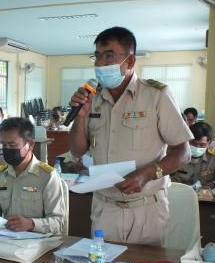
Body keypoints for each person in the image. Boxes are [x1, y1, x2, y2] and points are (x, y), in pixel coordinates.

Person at [69, 26, 192, 246]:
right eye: (97, 56)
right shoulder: (92, 98)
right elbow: (78, 151)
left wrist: (149, 173)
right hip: (105, 206)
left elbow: (183, 152)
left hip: (146, 209)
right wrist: (80, 116)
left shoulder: (156, 96)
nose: (100, 64)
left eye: (109, 56)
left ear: (130, 61)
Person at [0, 117, 67, 234]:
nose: (7, 149)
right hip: (6, 239)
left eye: (12, 145)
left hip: (39, 243)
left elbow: (58, 223)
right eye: (4, 145)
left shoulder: (47, 176)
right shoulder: (0, 175)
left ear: (31, 144)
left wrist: (31, 224)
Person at [172, 122, 215, 189]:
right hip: (180, 192)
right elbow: (167, 177)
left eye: (202, 145)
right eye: (193, 143)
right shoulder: (177, 153)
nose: (197, 147)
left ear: (209, 143)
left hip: (206, 195)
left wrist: (212, 185)